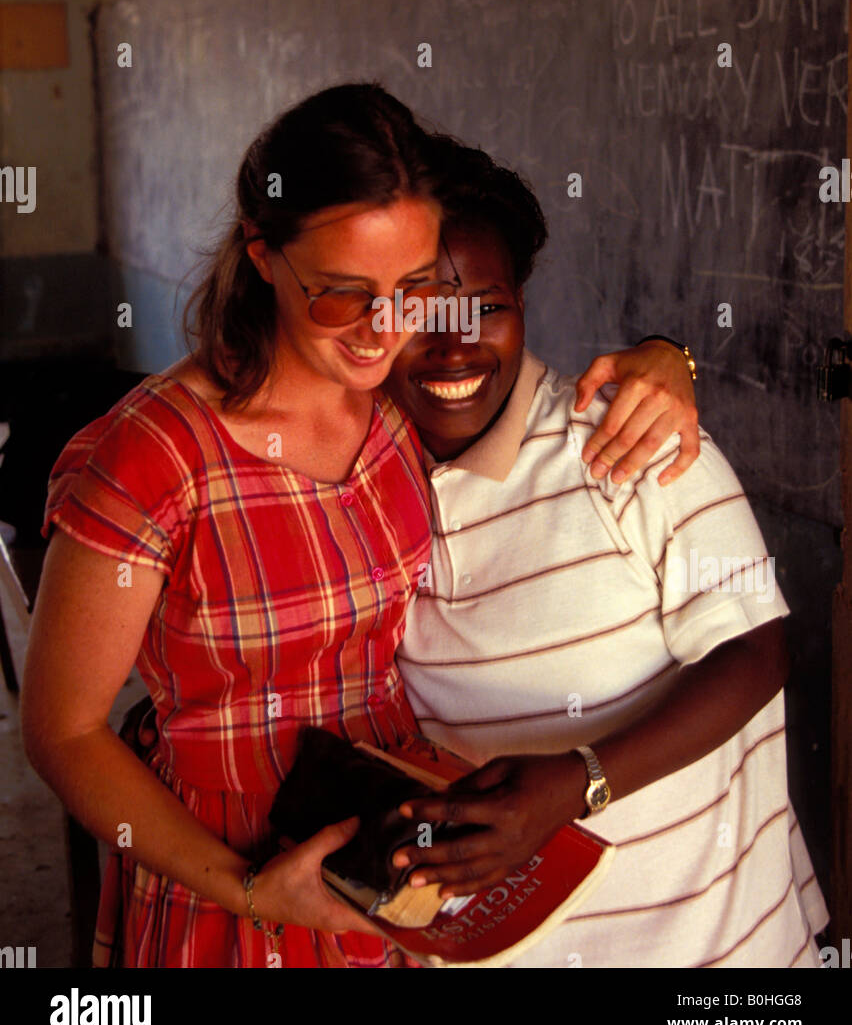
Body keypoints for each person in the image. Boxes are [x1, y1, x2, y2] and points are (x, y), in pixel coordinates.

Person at [21, 83, 699, 969]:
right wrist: (251, 889)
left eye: (413, 287)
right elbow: (62, 731)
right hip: (229, 875)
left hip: (387, 856)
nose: (385, 331)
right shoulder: (154, 458)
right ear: (264, 255)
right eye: (342, 295)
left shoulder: (390, 407)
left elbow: (522, 389)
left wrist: (667, 358)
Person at [385, 142, 829, 968]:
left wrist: (578, 782)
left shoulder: (630, 440)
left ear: (521, 301)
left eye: (484, 306)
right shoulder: (352, 476)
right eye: (415, 312)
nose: (453, 349)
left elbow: (756, 649)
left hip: (718, 956)